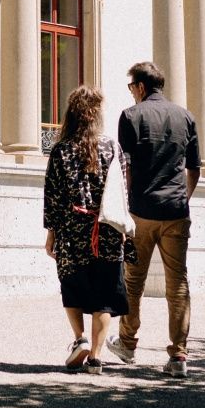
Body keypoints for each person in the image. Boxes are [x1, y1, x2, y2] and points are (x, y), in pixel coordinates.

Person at [106, 60, 200, 378]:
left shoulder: (131, 116)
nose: (131, 92)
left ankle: (128, 344)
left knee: (133, 281)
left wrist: (127, 207)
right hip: (176, 212)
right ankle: (179, 356)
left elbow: (126, 168)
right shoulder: (185, 116)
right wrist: (182, 200)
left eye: (132, 87)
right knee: (178, 284)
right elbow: (194, 169)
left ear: (141, 87)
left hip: (142, 211)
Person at [41, 85, 133, 373]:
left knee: (72, 287)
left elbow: (52, 196)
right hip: (105, 230)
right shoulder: (112, 147)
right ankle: (95, 357)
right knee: (104, 297)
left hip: (71, 231)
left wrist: (51, 234)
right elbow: (122, 191)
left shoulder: (60, 150)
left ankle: (79, 339)